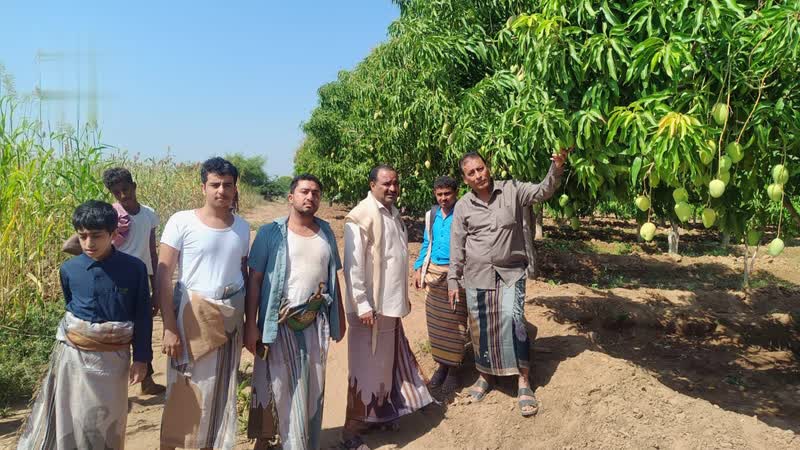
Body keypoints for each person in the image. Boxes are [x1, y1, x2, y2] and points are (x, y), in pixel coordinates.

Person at [18, 200, 152, 449]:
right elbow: (72, 308)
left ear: (113, 234)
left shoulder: (134, 269)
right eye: (83, 236)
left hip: (113, 361)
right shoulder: (70, 269)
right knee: (74, 416)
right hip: (75, 358)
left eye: (96, 236)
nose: (89, 243)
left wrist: (142, 358)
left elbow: (142, 314)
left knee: (109, 417)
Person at [448, 149, 570, 417]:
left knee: (515, 322)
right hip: (477, 275)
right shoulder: (463, 206)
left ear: (487, 167)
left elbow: (542, 191)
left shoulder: (512, 190)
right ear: (465, 178)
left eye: (481, 169)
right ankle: (485, 376)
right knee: (481, 329)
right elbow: (457, 245)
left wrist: (556, 167)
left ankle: (523, 380)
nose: (479, 175)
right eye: (471, 173)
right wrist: (452, 280)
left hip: (510, 273)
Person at [244, 174, 346, 450]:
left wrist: (341, 317)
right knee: (277, 385)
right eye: (304, 192)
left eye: (315, 193)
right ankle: (280, 441)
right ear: (291, 197)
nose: (310, 197)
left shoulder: (326, 232)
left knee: (312, 387)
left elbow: (333, 279)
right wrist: (251, 326)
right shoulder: (271, 233)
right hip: (279, 323)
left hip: (315, 322)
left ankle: (303, 441)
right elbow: (254, 280)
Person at [156, 157, 250, 450]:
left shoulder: (243, 228)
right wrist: (169, 327)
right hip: (192, 320)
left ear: (235, 189)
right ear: (203, 187)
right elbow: (163, 275)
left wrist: (246, 324)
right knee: (187, 391)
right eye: (215, 184)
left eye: (228, 185)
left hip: (229, 321)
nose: (222, 190)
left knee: (220, 389)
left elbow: (242, 274)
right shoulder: (182, 221)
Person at [341, 164, 434, 450]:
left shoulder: (393, 215)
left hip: (390, 307)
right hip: (369, 311)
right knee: (364, 369)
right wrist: (363, 304)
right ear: (372, 185)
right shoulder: (359, 217)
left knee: (382, 368)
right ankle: (351, 431)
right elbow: (353, 266)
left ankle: (377, 417)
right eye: (385, 184)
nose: (392, 188)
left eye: (395, 183)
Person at [62, 167, 165, 395]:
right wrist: (98, 259)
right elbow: (69, 245)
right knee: (114, 329)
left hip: (137, 277)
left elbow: (152, 251)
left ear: (134, 186)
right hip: (113, 277)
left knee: (140, 325)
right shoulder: (111, 215)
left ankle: (146, 379)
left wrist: (155, 288)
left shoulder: (149, 214)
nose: (122, 196)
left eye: (125, 190)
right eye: (116, 192)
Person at [413, 175, 468, 394]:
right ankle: (442, 366)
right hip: (434, 273)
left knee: (456, 323)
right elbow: (428, 242)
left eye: (448, 194)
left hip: (457, 275)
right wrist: (419, 268)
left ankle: (454, 369)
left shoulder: (463, 213)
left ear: (456, 193)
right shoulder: (432, 215)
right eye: (439, 194)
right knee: (436, 323)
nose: (443, 198)